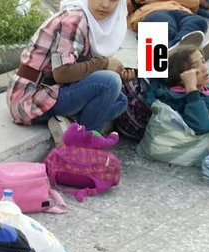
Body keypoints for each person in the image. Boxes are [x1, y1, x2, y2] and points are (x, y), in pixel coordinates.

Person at [7, 0, 132, 145]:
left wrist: (119, 71)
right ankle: (82, 144)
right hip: (31, 97)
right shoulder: (75, 18)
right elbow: (62, 73)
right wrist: (104, 63)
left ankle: (70, 125)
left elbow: (80, 64)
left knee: (120, 100)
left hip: (54, 89)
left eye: (113, 0)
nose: (105, 5)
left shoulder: (94, 21)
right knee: (110, 82)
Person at [148, 44, 209, 150]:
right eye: (194, 67)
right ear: (181, 77)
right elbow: (203, 126)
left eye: (203, 61)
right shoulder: (183, 97)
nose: (205, 68)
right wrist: (191, 89)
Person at [127, 0, 209, 49]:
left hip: (182, 12)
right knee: (167, 30)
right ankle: (186, 51)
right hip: (152, 12)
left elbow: (194, 3)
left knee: (198, 21)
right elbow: (120, 9)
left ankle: (178, 48)